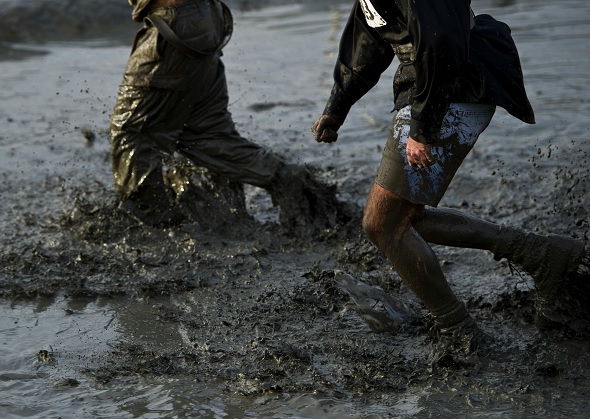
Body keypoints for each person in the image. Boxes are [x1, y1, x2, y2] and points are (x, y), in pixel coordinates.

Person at [312, 0, 589, 351]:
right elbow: (366, 42)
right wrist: (335, 109)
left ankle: (459, 330)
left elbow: (442, 42)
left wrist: (423, 128)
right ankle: (543, 254)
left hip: (455, 83)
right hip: (430, 84)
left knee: (384, 224)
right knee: (401, 220)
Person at [110, 0, 345, 232]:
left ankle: (152, 226)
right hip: (203, 16)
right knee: (207, 134)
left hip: (173, 23)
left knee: (132, 135)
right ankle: (287, 179)